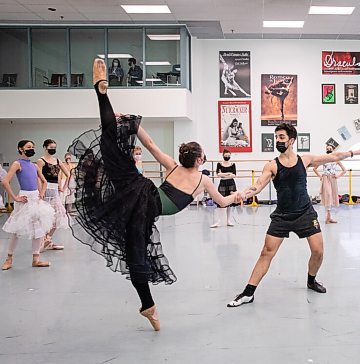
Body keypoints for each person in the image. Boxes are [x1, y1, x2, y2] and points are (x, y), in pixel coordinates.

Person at [67, 59, 240, 331]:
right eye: (204, 155)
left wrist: (133, 124)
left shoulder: (172, 165)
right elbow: (222, 202)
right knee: (136, 255)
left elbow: (149, 144)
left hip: (138, 190)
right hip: (146, 204)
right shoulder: (204, 180)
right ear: (198, 161)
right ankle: (148, 307)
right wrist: (242, 194)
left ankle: (103, 96)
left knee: (112, 150)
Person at [227, 123, 360, 307]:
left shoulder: (305, 160)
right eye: (276, 137)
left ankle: (311, 281)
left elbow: (333, 156)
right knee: (266, 253)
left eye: (281, 137)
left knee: (318, 251)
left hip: (305, 212)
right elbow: (258, 185)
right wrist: (244, 193)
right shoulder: (272, 165)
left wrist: (353, 153)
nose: (277, 140)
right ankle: (248, 293)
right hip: (282, 216)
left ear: (291, 140)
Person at [2, 140, 55, 270]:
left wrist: (41, 194)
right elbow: (5, 181)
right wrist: (15, 197)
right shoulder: (17, 163)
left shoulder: (34, 165)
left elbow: (44, 181)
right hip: (24, 198)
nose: (31, 149)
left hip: (35, 198)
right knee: (16, 230)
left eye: (33, 147)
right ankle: (9, 259)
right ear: (21, 149)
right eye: (28, 147)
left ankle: (36, 259)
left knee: (38, 230)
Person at [37, 139, 70, 250]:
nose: (53, 149)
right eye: (51, 147)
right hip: (45, 189)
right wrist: (40, 191)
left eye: (54, 147)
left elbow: (68, 174)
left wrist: (63, 187)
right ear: (45, 147)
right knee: (44, 217)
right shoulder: (40, 161)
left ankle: (48, 239)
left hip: (55, 190)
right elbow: (38, 177)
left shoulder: (57, 161)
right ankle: (42, 242)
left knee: (59, 215)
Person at [313, 144, 347, 224]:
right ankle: (328, 217)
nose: (328, 150)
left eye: (330, 149)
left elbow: (344, 170)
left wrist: (338, 176)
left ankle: (329, 218)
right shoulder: (323, 159)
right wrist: (320, 176)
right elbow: (315, 169)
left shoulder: (336, 160)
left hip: (333, 178)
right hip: (326, 178)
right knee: (328, 194)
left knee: (332, 196)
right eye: (327, 149)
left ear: (333, 150)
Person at [211, 149, 237, 228]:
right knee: (221, 202)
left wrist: (224, 175)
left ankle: (228, 220)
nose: (227, 157)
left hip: (231, 184)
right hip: (222, 183)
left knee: (230, 203)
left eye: (228, 156)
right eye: (226, 156)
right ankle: (218, 221)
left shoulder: (232, 164)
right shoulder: (219, 164)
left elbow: (234, 175)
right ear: (223, 155)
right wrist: (228, 174)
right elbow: (218, 174)